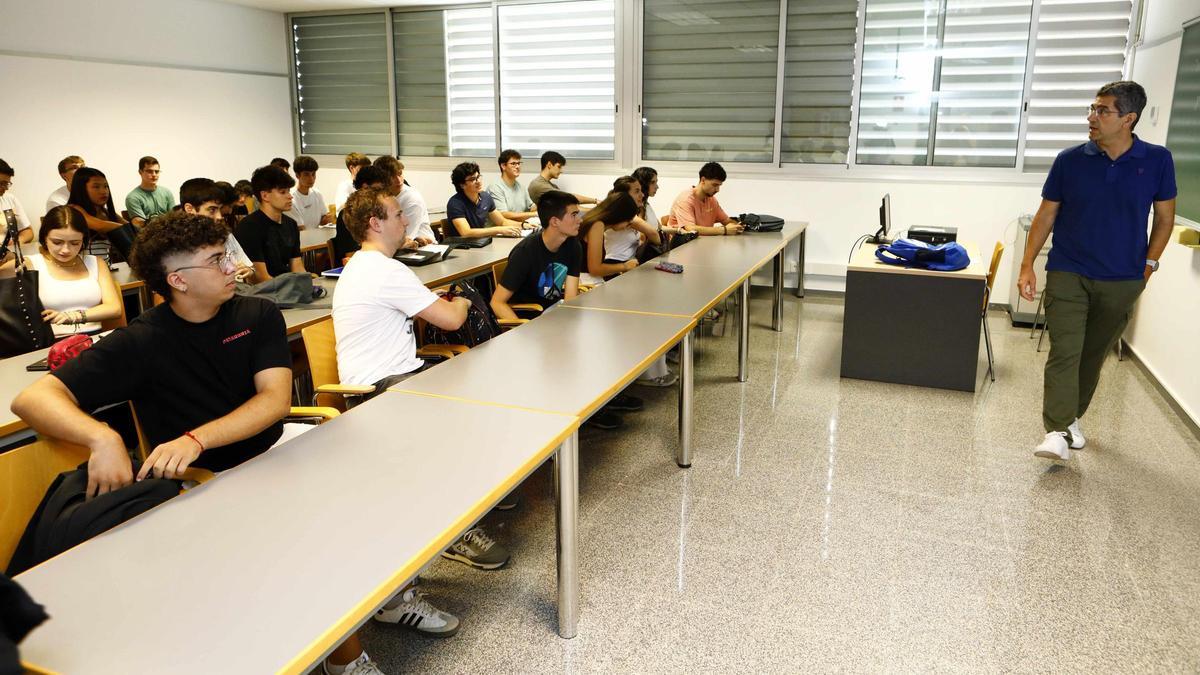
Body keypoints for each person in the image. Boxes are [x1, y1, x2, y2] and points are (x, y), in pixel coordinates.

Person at [7, 210, 395, 675]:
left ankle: (389, 602)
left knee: (369, 505)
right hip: (204, 482)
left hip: (275, 453)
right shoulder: (141, 340)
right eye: (217, 261)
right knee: (312, 540)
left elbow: (273, 402)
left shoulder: (257, 313)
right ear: (179, 280)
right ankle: (344, 659)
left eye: (227, 255)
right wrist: (101, 436)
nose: (233, 266)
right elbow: (33, 397)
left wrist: (196, 437)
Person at [1018, 81, 1177, 461]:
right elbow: (1046, 215)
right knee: (1065, 351)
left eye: (1102, 111)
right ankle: (1056, 431)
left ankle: (1071, 417)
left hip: (1123, 278)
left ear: (1129, 119)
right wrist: (1028, 264)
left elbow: (1165, 218)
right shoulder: (1069, 160)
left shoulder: (1157, 161)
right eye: (1092, 109)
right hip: (1068, 270)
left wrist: (1149, 265)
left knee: (1092, 355)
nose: (1092, 117)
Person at [0, 206, 122, 336]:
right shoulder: (29, 264)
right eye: (57, 242)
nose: (66, 250)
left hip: (94, 338)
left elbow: (114, 308)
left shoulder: (95, 263)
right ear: (45, 238)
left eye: (75, 243)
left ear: (83, 240)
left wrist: (74, 316)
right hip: (50, 342)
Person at [234, 165, 305, 282]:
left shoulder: (291, 224)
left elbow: (297, 266)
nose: (290, 196)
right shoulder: (249, 227)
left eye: (289, 191)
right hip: (265, 292)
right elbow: (260, 278)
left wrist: (305, 284)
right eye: (283, 192)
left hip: (287, 286)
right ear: (265, 195)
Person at [179, 178, 255, 283]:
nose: (219, 217)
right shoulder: (178, 243)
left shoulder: (225, 234)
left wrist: (248, 270)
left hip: (240, 291)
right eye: (212, 210)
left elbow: (249, 267)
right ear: (190, 209)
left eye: (219, 209)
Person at [579, 191, 656, 280]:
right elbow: (595, 269)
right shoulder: (597, 225)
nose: (627, 226)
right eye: (628, 222)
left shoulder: (595, 221)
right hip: (586, 280)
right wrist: (625, 266)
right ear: (619, 216)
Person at [67, 167, 135, 261]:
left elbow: (128, 226)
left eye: (106, 186)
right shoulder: (73, 210)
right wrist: (126, 229)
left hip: (104, 267)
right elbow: (100, 226)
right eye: (96, 186)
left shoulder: (105, 212)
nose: (103, 191)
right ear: (81, 189)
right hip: (81, 269)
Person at [445, 162, 523, 239]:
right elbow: (466, 232)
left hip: (479, 242)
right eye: (473, 179)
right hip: (461, 247)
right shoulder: (455, 203)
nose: (478, 181)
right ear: (462, 185)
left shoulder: (485, 197)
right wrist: (499, 230)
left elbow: (502, 222)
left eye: (478, 176)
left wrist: (522, 225)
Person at [668, 162, 744, 236]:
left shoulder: (711, 200)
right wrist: (724, 230)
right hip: (681, 246)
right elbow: (690, 229)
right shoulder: (685, 200)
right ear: (703, 180)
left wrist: (740, 224)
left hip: (701, 243)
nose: (718, 190)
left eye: (719, 186)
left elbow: (726, 221)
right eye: (715, 185)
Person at [332, 165, 388, 263]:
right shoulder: (349, 214)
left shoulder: (381, 210)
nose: (381, 194)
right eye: (378, 190)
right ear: (365, 187)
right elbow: (351, 255)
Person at [374, 156, 436, 244]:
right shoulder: (380, 195)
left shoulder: (412, 198)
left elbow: (404, 238)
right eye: (392, 176)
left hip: (422, 248)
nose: (398, 180)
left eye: (400, 174)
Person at [526, 151, 598, 207]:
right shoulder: (538, 185)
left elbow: (568, 204)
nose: (561, 171)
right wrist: (595, 201)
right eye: (559, 167)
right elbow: (568, 198)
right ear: (549, 165)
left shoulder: (551, 185)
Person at [487, 149, 537, 222]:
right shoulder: (495, 187)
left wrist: (544, 205)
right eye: (513, 164)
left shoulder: (521, 187)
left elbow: (531, 207)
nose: (517, 167)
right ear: (503, 166)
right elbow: (503, 215)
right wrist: (534, 214)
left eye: (519, 163)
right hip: (501, 230)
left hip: (520, 226)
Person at [125, 156, 175, 227]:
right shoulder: (132, 197)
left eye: (157, 171)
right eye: (149, 171)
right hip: (148, 235)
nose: (154, 175)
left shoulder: (167, 192)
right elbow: (140, 225)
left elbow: (174, 217)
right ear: (140, 172)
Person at [287, 155, 333, 230]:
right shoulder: (291, 198)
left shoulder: (317, 194)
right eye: (306, 174)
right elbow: (300, 229)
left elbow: (323, 219)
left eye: (313, 174)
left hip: (316, 237)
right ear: (297, 175)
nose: (311, 178)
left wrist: (327, 219)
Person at [0, 159, 33, 243]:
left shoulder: (10, 199)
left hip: (8, 253)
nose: (6, 188)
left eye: (7, 184)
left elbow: (28, 231)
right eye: (2, 183)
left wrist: (17, 241)